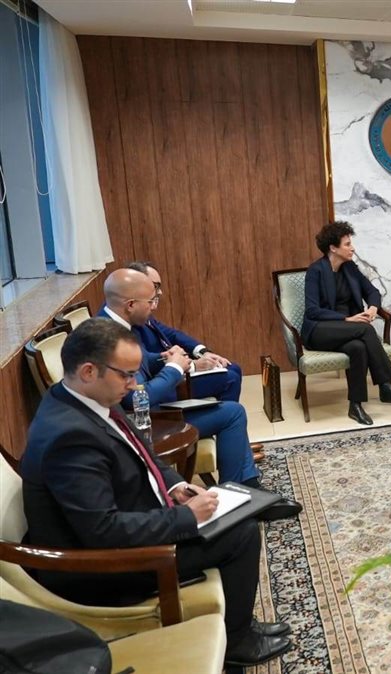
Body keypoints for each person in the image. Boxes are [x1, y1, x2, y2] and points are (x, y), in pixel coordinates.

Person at [19, 319, 293, 667]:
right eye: (126, 375)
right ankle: (237, 641)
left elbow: (142, 453)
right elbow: (102, 531)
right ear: (88, 371)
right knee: (241, 535)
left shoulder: (87, 399)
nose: (134, 384)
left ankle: (238, 625)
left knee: (237, 514)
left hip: (133, 522)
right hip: (102, 567)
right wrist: (185, 518)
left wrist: (176, 485)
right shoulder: (68, 438)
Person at [97, 270, 301, 523]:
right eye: (150, 301)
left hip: (149, 415)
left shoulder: (116, 324)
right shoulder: (110, 337)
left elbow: (142, 361)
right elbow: (137, 398)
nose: (154, 306)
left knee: (231, 411)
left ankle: (246, 489)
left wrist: (164, 358)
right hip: (144, 425)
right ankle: (242, 495)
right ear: (130, 305)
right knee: (232, 414)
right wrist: (174, 368)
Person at [303, 221, 391, 426]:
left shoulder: (350, 268)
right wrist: (346, 319)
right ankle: (385, 385)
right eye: (347, 244)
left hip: (349, 331)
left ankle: (356, 406)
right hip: (320, 330)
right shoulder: (315, 271)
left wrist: (372, 308)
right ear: (333, 248)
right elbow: (312, 311)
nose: (352, 248)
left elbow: (372, 291)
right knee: (365, 329)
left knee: (357, 348)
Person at [124, 261, 242, 403]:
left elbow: (172, 334)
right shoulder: (129, 319)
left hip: (175, 366)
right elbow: (145, 372)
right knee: (231, 378)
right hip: (166, 381)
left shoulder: (142, 311)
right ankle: (223, 414)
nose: (160, 292)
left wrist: (202, 352)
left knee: (233, 368)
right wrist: (193, 365)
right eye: (156, 286)